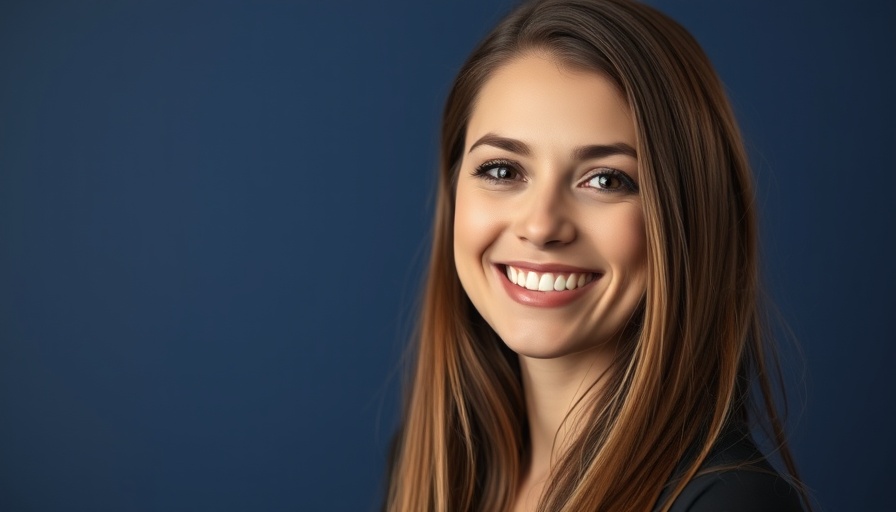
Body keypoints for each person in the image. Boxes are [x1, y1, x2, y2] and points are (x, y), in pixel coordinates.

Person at [384, 0, 810, 510]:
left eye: (606, 180)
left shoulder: (729, 502)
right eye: (502, 171)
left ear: (687, 218)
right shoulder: (432, 466)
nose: (541, 226)